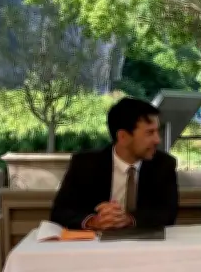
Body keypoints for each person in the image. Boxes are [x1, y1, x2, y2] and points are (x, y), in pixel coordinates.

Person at [50, 98, 179, 230]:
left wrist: (129, 219)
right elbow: (60, 212)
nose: (158, 140)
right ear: (123, 137)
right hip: (94, 246)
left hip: (145, 246)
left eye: (158, 131)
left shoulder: (164, 165)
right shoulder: (85, 164)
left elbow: (167, 214)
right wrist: (94, 221)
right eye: (150, 133)